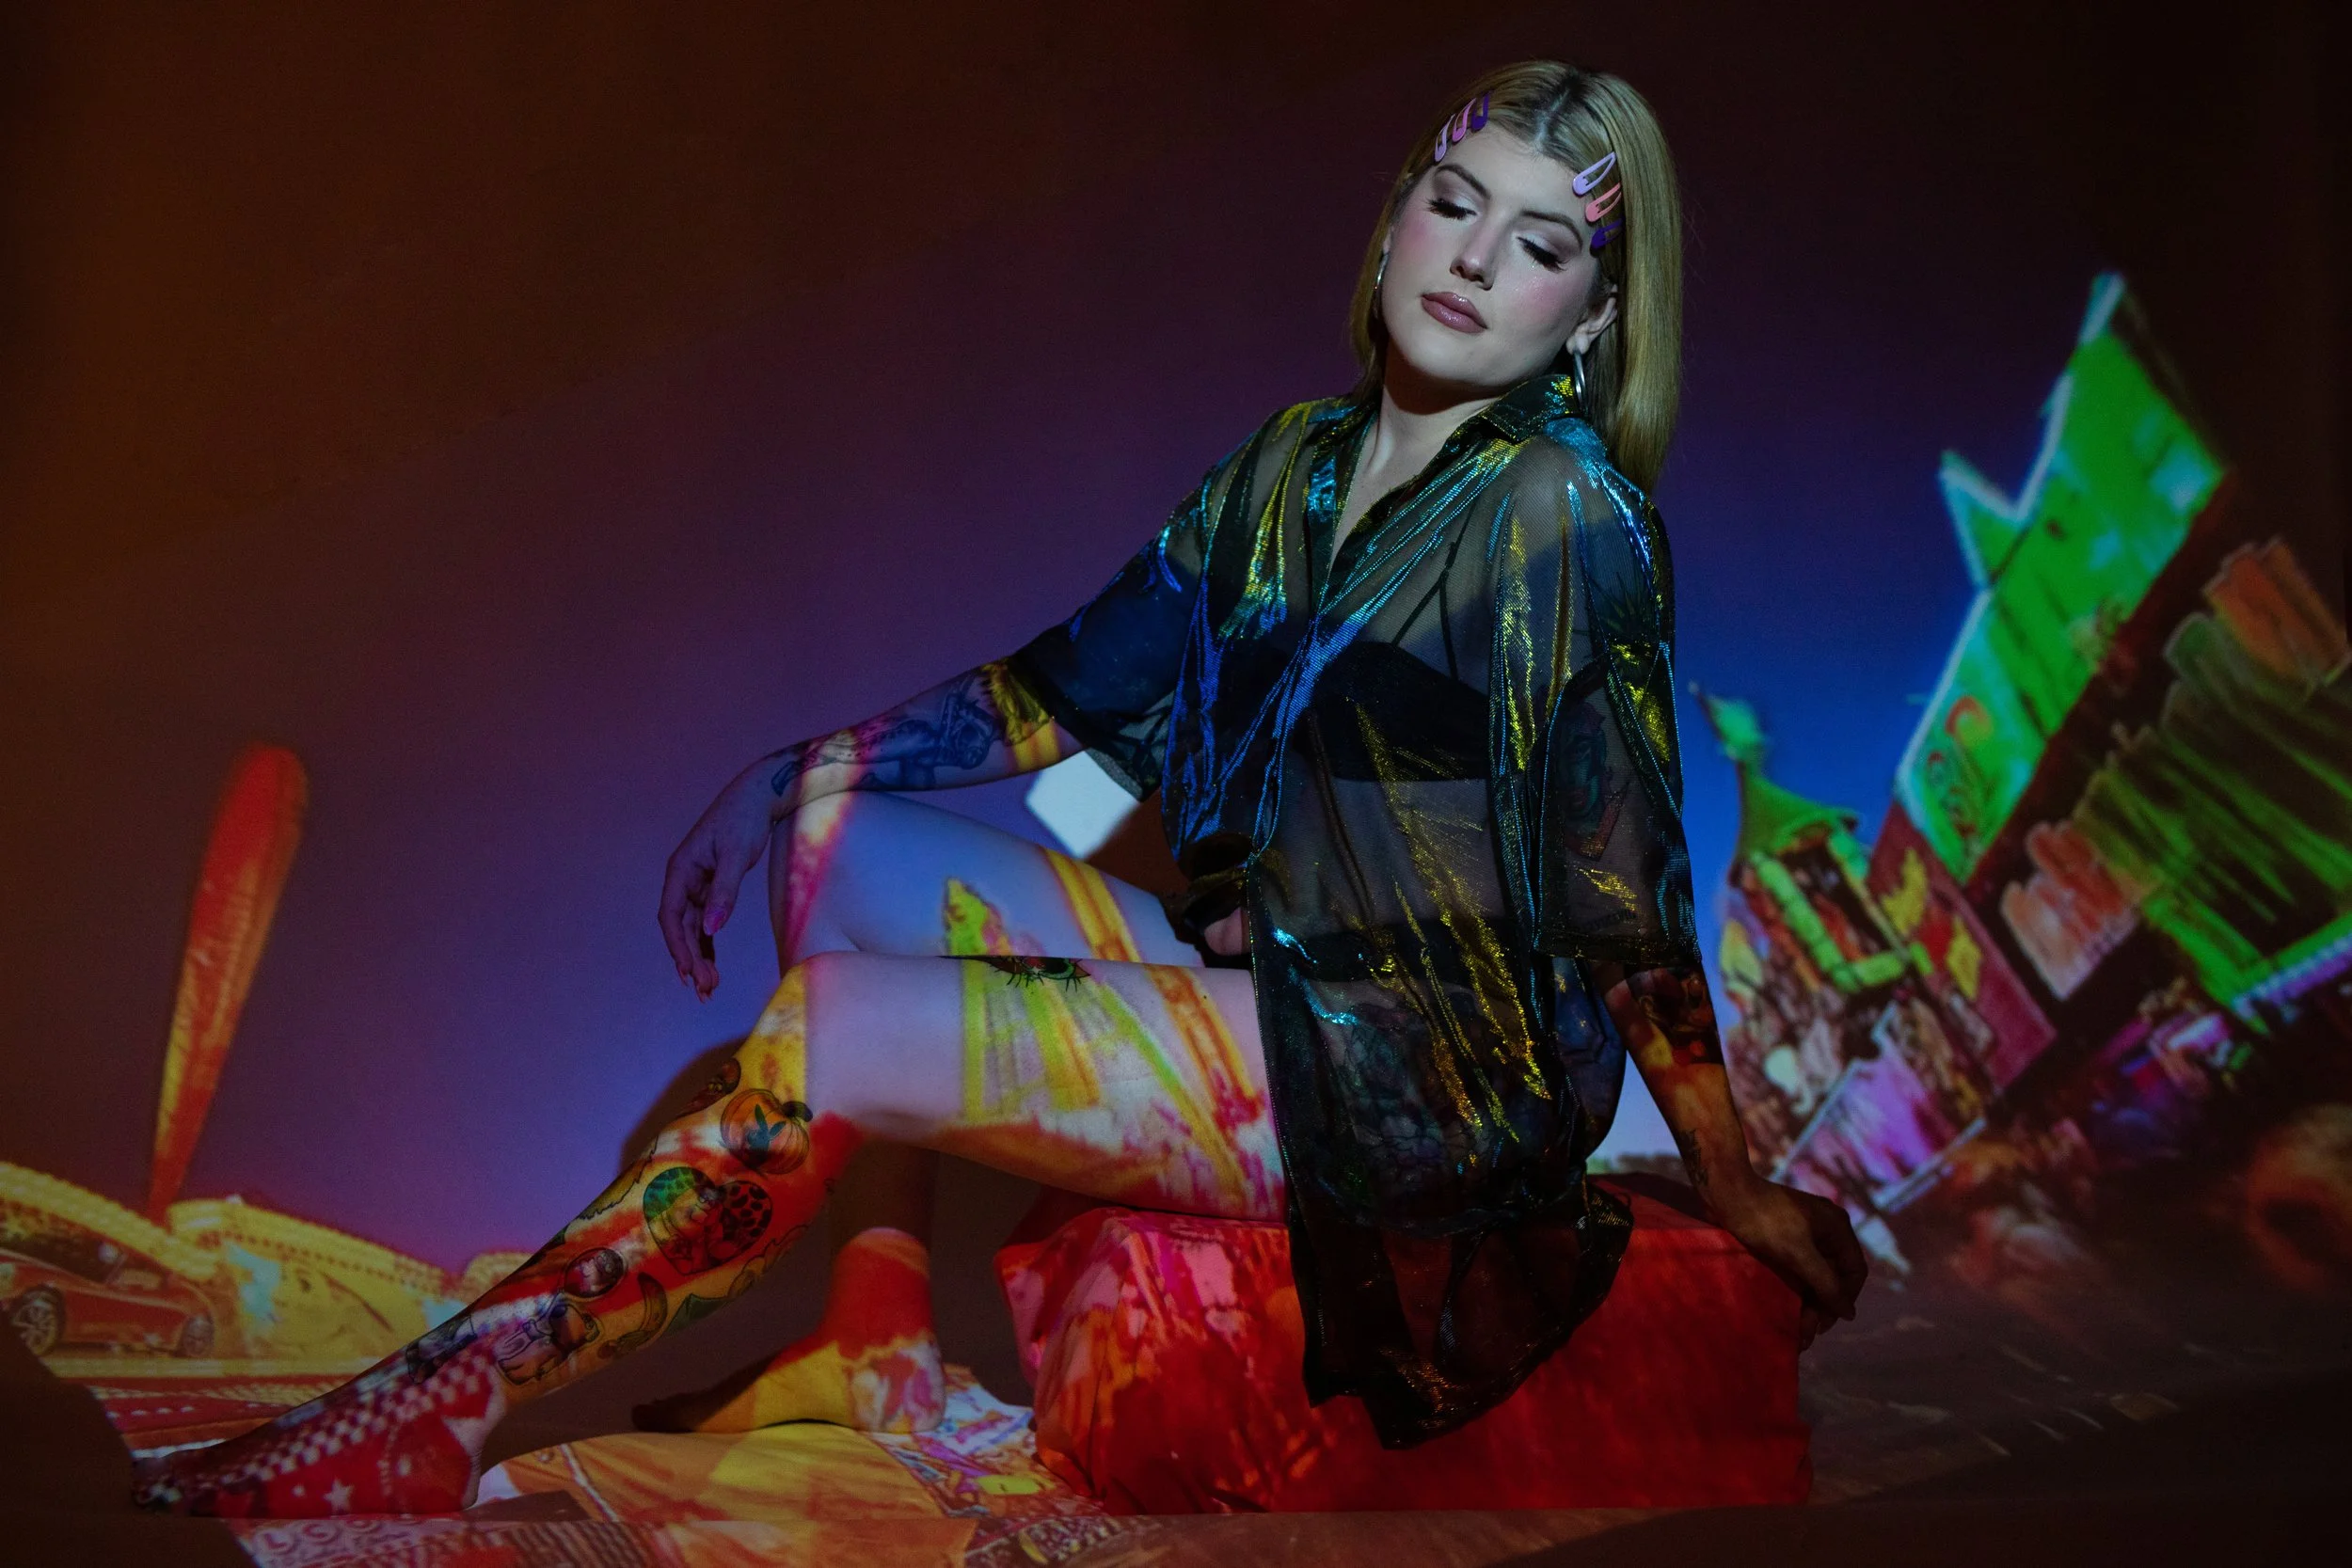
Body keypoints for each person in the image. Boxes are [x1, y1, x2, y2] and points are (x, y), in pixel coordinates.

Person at [138, 59, 1867, 1518]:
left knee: (837, 1029)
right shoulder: (1294, 462)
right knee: (840, 832)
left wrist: (1728, 1179)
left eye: (1541, 243)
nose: (1476, 257)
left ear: (1593, 317)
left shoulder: (1565, 516)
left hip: (1419, 1081)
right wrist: (797, 765)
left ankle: (441, 1403)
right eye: (1454, 200)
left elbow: (1623, 881)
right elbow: (1062, 689)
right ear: (1401, 213)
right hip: (1272, 975)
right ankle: (881, 1351)